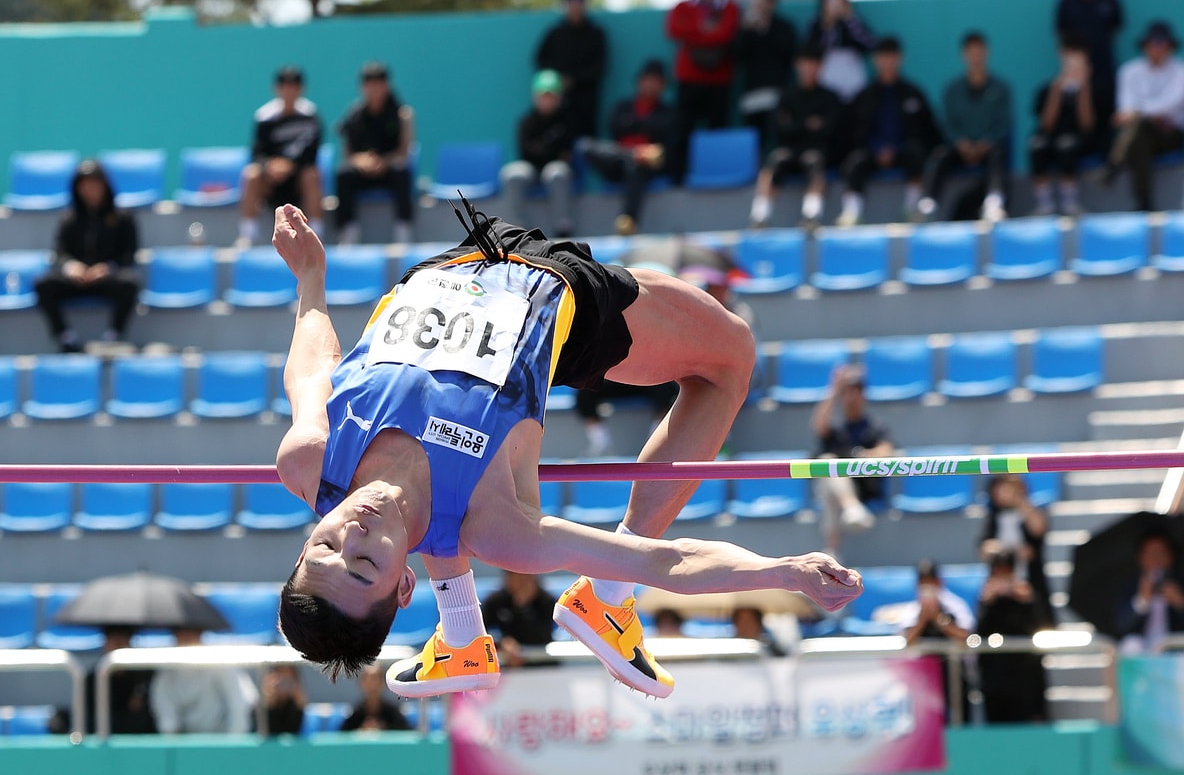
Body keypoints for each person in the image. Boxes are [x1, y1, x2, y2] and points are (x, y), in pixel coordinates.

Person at [270, 201, 861, 700]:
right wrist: (784, 571)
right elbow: (667, 565)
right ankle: (602, 603)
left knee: (428, 521)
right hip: (562, 302)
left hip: (460, 262)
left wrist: (310, 281)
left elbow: (313, 367)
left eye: (325, 545)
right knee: (730, 356)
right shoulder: (499, 526)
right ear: (403, 587)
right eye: (365, 563)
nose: (354, 533)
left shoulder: (310, 457)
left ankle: (465, 635)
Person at [34, 160, 140, 353]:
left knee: (130, 284)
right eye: (85, 186)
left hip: (106, 280)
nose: (90, 191)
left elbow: (129, 254)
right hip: (76, 281)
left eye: (95, 185)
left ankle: (112, 337)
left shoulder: (123, 217)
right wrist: (71, 267)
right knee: (43, 283)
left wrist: (108, 268)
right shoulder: (69, 218)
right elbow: (59, 254)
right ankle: (66, 338)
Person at [837, 35, 941, 227]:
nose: (887, 61)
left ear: (900, 58)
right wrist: (877, 148)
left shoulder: (913, 92)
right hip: (871, 153)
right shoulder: (864, 96)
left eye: (891, 56)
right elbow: (854, 132)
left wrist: (895, 149)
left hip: (904, 151)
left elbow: (926, 130)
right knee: (855, 161)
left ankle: (912, 208)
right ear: (876, 60)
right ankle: (852, 212)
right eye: (883, 56)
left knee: (916, 154)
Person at [921, 32, 1013, 223]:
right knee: (941, 155)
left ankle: (994, 203)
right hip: (960, 149)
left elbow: (1004, 123)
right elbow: (947, 124)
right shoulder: (952, 89)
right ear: (964, 54)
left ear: (987, 53)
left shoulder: (1001, 88)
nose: (976, 56)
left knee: (997, 154)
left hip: (989, 148)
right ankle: (928, 203)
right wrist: (959, 141)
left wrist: (986, 141)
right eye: (971, 51)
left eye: (979, 51)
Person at [749, 44, 843, 229]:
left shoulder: (829, 97)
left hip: (817, 151)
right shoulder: (786, 96)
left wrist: (795, 123)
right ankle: (760, 216)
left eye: (813, 63)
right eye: (804, 63)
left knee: (814, 161)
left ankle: (811, 215)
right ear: (797, 65)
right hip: (789, 150)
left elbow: (830, 128)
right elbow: (778, 128)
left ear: (820, 66)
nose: (808, 68)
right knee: (775, 161)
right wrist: (808, 124)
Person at [665, 0, 741, 182]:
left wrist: (697, 34)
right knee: (681, 131)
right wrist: (709, 33)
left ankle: (717, 177)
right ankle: (677, 179)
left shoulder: (729, 7)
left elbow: (726, 33)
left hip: (719, 80)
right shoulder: (683, 6)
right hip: (689, 79)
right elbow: (674, 30)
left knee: (718, 131)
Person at [577, 59, 674, 236]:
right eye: (647, 79)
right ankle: (631, 155)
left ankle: (629, 221)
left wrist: (635, 127)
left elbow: (663, 139)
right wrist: (635, 151)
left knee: (635, 166)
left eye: (656, 81)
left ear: (663, 86)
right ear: (639, 81)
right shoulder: (622, 107)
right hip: (617, 162)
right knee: (585, 146)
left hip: (645, 168)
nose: (650, 85)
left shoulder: (667, 112)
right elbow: (615, 128)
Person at [810, 365, 894, 555]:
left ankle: (832, 549)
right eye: (847, 392)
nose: (852, 397)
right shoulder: (838, 429)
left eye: (856, 392)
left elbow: (886, 450)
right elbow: (819, 425)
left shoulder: (874, 426)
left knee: (829, 470)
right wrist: (834, 389)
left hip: (865, 487)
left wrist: (861, 458)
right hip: (837, 490)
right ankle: (851, 508)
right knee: (827, 465)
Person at [237, 66, 323, 248]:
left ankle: (316, 235)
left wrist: (290, 166)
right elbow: (257, 154)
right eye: (285, 85)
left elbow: (312, 154)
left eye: (294, 85)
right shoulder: (264, 117)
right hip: (271, 181)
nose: (289, 90)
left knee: (312, 175)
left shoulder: (311, 116)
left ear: (301, 89)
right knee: (251, 174)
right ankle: (247, 235)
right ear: (277, 88)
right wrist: (270, 166)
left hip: (298, 181)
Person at [1103, 20, 1184, 212]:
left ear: (1170, 46)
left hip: (1171, 134)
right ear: (1145, 45)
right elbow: (1124, 105)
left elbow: (1169, 105)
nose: (1157, 48)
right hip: (1141, 136)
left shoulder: (1181, 71)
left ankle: (1114, 163)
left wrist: (1137, 113)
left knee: (1138, 129)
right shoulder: (1129, 71)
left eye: (1162, 43)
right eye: (1154, 43)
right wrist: (1139, 114)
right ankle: (1144, 203)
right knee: (1140, 139)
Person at [334, 61, 415, 246]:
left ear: (387, 85)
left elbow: (404, 151)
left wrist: (383, 162)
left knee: (402, 173)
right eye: (369, 83)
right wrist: (361, 161)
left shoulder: (402, 113)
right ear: (363, 86)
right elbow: (348, 154)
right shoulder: (354, 114)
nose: (374, 88)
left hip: (388, 170)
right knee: (343, 174)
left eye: (379, 82)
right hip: (363, 172)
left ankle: (403, 230)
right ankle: (348, 231)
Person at [897, 560, 975, 723]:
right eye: (924, 584)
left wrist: (940, 620)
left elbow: (966, 637)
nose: (928, 589)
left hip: (954, 676)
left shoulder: (955, 606)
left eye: (932, 583)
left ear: (940, 583)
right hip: (924, 679)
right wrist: (923, 620)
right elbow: (906, 641)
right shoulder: (912, 611)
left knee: (960, 720)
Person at [499, 69, 575, 237]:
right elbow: (525, 150)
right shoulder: (526, 121)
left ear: (559, 97)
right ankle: (516, 230)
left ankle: (563, 227)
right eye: (543, 96)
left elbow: (565, 153)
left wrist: (542, 149)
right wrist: (548, 149)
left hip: (553, 167)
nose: (547, 101)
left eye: (551, 96)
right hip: (531, 168)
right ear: (535, 97)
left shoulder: (568, 121)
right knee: (512, 174)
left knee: (557, 173)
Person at [977, 550, 1049, 724]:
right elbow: (978, 637)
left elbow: (1041, 629)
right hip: (995, 682)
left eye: (1007, 572)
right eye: (998, 573)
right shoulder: (987, 600)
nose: (1003, 578)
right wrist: (987, 603)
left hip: (1025, 680)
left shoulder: (1026, 597)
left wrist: (1027, 601)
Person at [1028, 41, 1097, 216]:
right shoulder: (1049, 88)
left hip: (1079, 140)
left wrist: (1084, 88)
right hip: (1051, 137)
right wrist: (1056, 91)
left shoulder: (1094, 89)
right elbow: (1046, 124)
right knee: (1037, 146)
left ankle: (1070, 204)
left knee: (1067, 146)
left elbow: (1087, 124)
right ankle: (1045, 205)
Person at [1055, 0, 1123, 125]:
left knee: (1105, 116)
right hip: (1075, 72)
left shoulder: (1110, 1)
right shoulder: (1068, 3)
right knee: (1073, 119)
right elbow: (1061, 34)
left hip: (1103, 70)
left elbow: (1114, 31)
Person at [534, 0, 609, 140]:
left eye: (578, 3)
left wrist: (574, 79)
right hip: (559, 100)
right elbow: (540, 59)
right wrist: (557, 79)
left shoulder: (595, 34)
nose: (575, 7)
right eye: (571, 3)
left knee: (585, 141)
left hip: (585, 100)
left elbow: (599, 67)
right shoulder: (555, 33)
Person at [980, 474, 1053, 628]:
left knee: (1039, 627)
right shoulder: (994, 517)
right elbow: (984, 548)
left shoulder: (1030, 513)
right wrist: (1005, 551)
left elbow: (1038, 529)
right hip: (1001, 587)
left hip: (1030, 583)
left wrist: (1019, 497)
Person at [150, 628, 254, 734]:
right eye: (180, 634)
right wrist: (174, 746)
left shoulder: (221, 664)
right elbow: (167, 720)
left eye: (190, 633)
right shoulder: (165, 673)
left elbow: (238, 706)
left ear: (200, 634)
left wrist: (234, 745)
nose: (185, 639)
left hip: (223, 740)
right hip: (186, 745)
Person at [735, 0, 798, 143]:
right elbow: (736, 55)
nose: (761, 4)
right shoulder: (746, 29)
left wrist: (766, 29)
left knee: (781, 137)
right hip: (752, 95)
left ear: (773, 1)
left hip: (778, 93)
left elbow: (788, 54)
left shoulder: (784, 27)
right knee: (755, 142)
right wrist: (747, 29)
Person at [805, 0, 875, 105]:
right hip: (827, 73)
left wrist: (849, 18)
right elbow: (811, 51)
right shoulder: (816, 23)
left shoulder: (853, 21)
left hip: (851, 72)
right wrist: (827, 25)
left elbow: (870, 44)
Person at [1115, 529, 1184, 654]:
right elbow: (1121, 625)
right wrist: (1141, 601)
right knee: (1131, 644)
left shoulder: (1179, 583)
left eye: (1160, 553)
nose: (1156, 559)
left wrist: (1180, 602)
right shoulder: (1130, 585)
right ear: (1140, 558)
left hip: (1174, 648)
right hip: (1142, 649)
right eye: (1150, 553)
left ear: (1171, 556)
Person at [481, 571, 558, 668]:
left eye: (526, 577)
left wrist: (523, 607)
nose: (522, 582)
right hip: (507, 666)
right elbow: (481, 632)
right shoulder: (495, 602)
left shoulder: (546, 601)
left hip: (543, 665)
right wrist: (501, 643)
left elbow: (543, 635)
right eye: (516, 576)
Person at [340, 663, 412, 732]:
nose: (373, 685)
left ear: (384, 683)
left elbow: (407, 734)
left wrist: (385, 729)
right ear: (361, 683)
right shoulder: (354, 714)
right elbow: (343, 738)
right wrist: (360, 731)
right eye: (368, 679)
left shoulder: (393, 713)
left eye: (376, 679)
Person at [255, 663, 306, 735]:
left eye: (288, 680)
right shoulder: (260, 706)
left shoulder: (294, 704)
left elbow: (293, 732)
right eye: (280, 679)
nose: (284, 685)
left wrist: (299, 704)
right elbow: (268, 732)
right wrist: (269, 703)